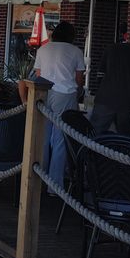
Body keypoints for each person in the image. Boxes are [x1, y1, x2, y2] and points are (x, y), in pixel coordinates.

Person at [32, 21, 86, 186]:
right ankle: (54, 184)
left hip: (43, 92)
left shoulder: (43, 49)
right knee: (60, 139)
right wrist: (78, 94)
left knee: (43, 136)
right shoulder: (75, 51)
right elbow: (79, 79)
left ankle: (39, 179)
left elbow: (38, 74)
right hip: (65, 94)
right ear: (72, 35)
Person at [90, 27, 130, 135]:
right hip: (126, 103)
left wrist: (102, 91)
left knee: (93, 136)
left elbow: (100, 75)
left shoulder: (110, 49)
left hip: (104, 100)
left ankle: (90, 152)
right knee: (124, 140)